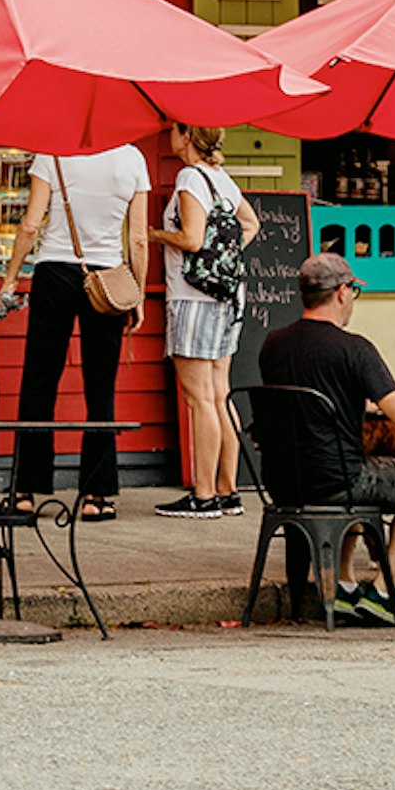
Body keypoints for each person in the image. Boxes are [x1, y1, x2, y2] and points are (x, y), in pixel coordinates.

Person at [255, 251, 395, 627]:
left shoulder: (271, 344)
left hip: (282, 481)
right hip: (338, 481)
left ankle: (342, 587)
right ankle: (382, 592)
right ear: (342, 292)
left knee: (351, 459)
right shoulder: (354, 348)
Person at [5, 140, 149, 518]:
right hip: (107, 277)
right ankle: (95, 496)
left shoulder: (52, 151)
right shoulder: (133, 158)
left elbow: (31, 225)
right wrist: (137, 295)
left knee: (39, 380)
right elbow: (137, 238)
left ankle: (24, 491)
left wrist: (9, 280)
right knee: (100, 386)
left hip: (53, 273)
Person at [152, 125, 258, 517]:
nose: (169, 138)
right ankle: (228, 491)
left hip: (193, 297)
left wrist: (155, 235)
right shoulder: (222, 178)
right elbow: (251, 225)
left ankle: (203, 494)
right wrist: (224, 257)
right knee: (218, 393)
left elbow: (192, 239)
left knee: (199, 399)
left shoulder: (189, 176)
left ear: (187, 138)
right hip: (228, 296)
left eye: (175, 131)